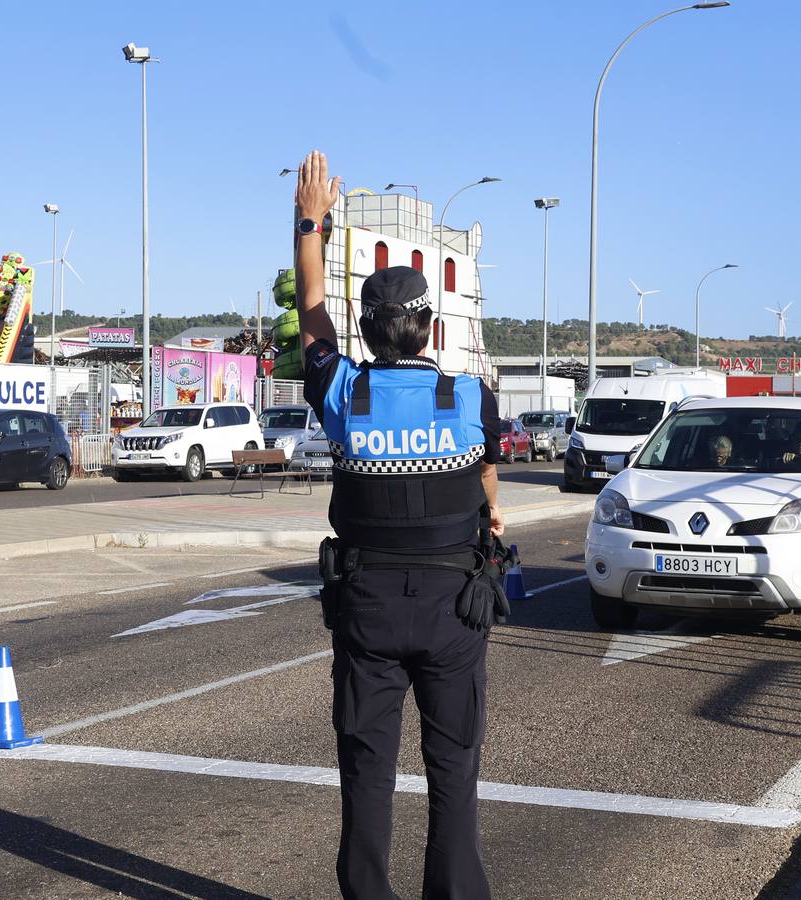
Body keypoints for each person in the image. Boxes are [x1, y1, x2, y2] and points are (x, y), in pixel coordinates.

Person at [292, 150, 501, 900]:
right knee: (454, 776)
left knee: (367, 777)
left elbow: (311, 305)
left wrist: (307, 217)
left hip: (370, 608)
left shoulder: (344, 392)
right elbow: (485, 474)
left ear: (367, 329)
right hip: (454, 610)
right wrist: (491, 505)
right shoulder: (470, 396)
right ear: (429, 327)